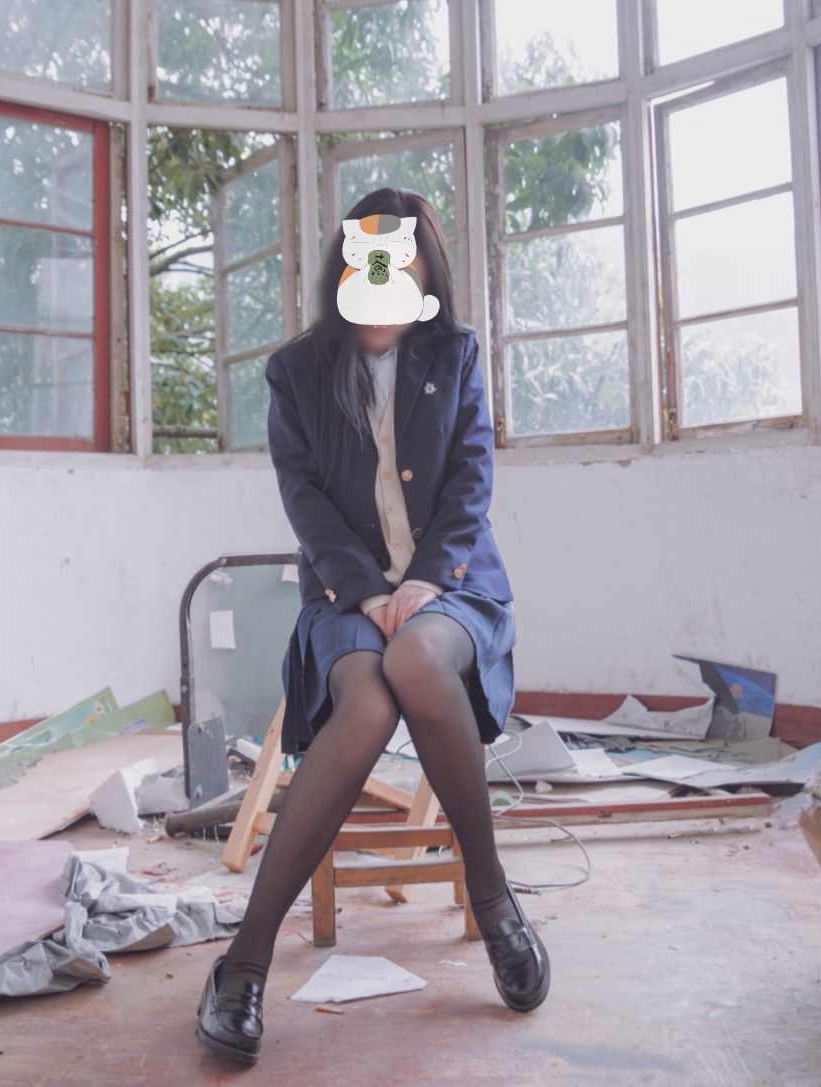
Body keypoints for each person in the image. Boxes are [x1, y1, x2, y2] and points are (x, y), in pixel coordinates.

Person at [195, 188, 548, 1065]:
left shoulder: (455, 354)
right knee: (364, 703)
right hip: (343, 596)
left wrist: (423, 582)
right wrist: (365, 593)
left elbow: (471, 481)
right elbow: (305, 501)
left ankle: (494, 898)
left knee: (420, 663)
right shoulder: (298, 371)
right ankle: (243, 964)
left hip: (453, 588)